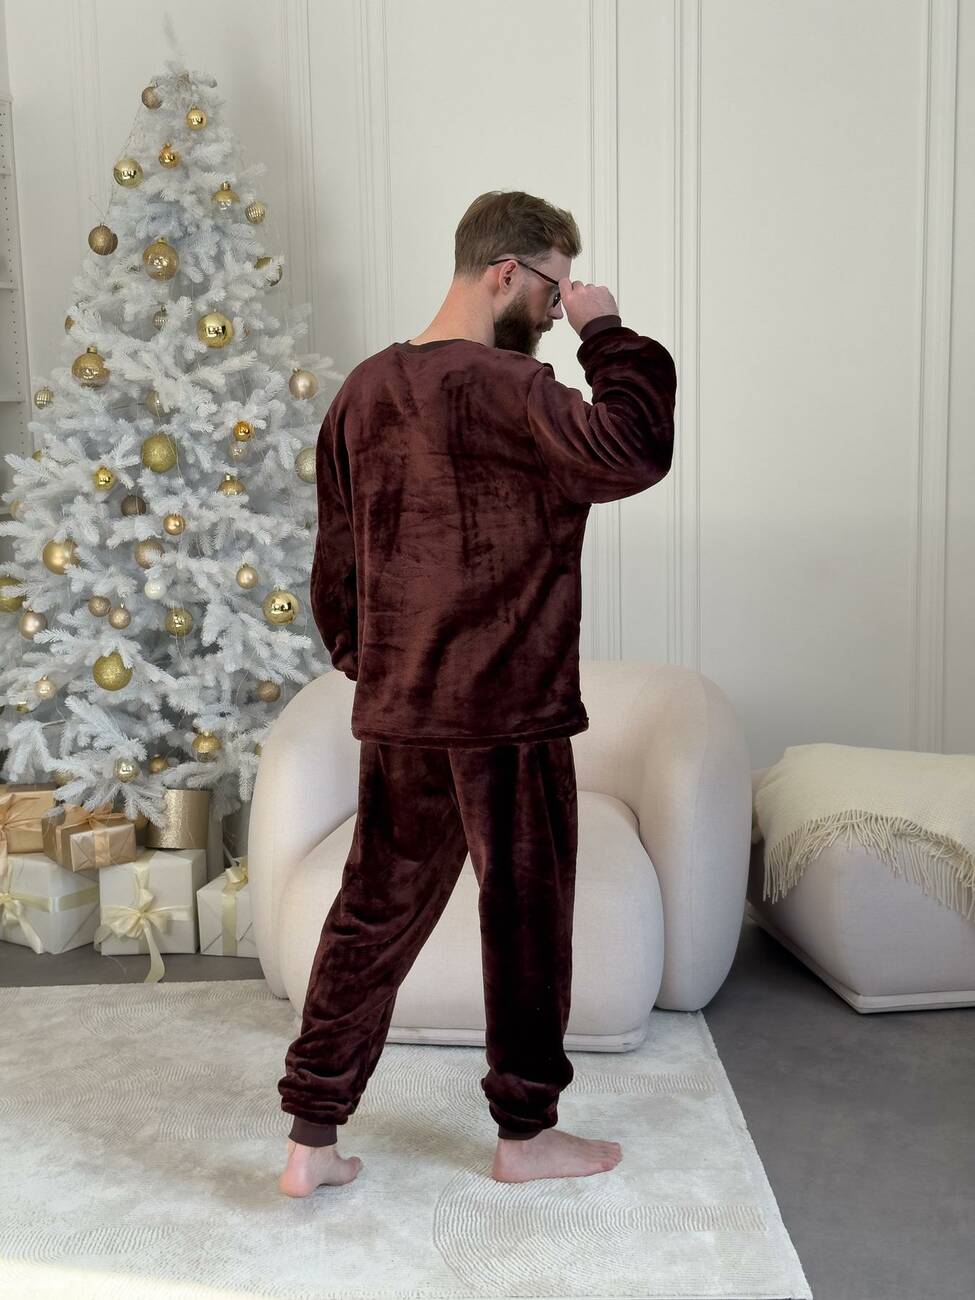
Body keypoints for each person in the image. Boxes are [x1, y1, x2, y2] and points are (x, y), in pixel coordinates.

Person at [277, 191, 678, 1194]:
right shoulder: (514, 388)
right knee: (525, 917)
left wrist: (380, 666)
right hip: (509, 709)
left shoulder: (363, 391)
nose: (558, 306)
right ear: (506, 272)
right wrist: (608, 333)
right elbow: (634, 447)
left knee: (372, 913)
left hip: (405, 708)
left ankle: (309, 1140)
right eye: (553, 286)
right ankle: (525, 1136)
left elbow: (334, 568)